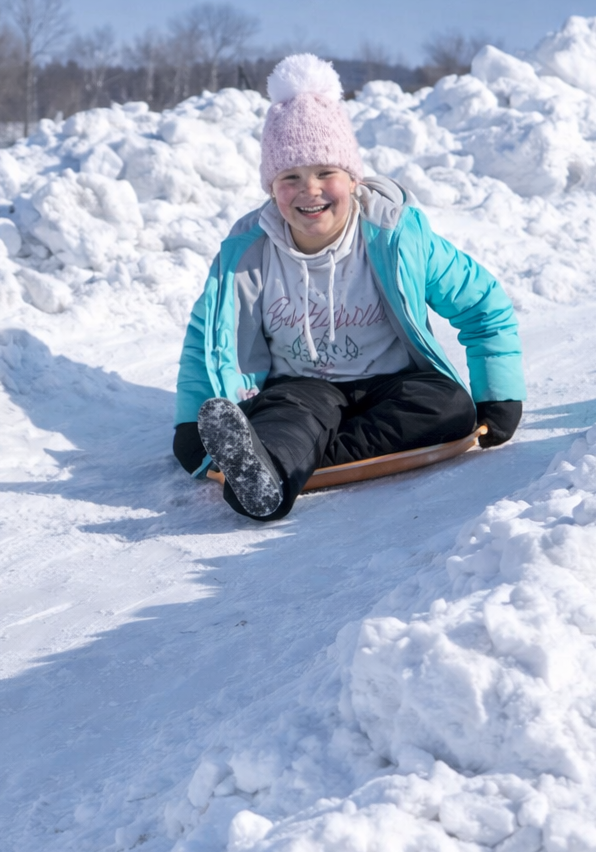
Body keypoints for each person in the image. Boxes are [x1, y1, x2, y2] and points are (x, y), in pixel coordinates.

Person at [173, 53, 525, 520]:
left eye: (325, 174)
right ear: (271, 186)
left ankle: (277, 466)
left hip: (394, 384)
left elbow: (482, 304)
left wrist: (498, 394)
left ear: (353, 178)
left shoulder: (395, 236)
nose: (309, 190)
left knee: (450, 408)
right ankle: (265, 472)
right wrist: (188, 420)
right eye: (290, 178)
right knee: (286, 421)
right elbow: (207, 338)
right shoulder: (248, 253)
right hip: (300, 388)